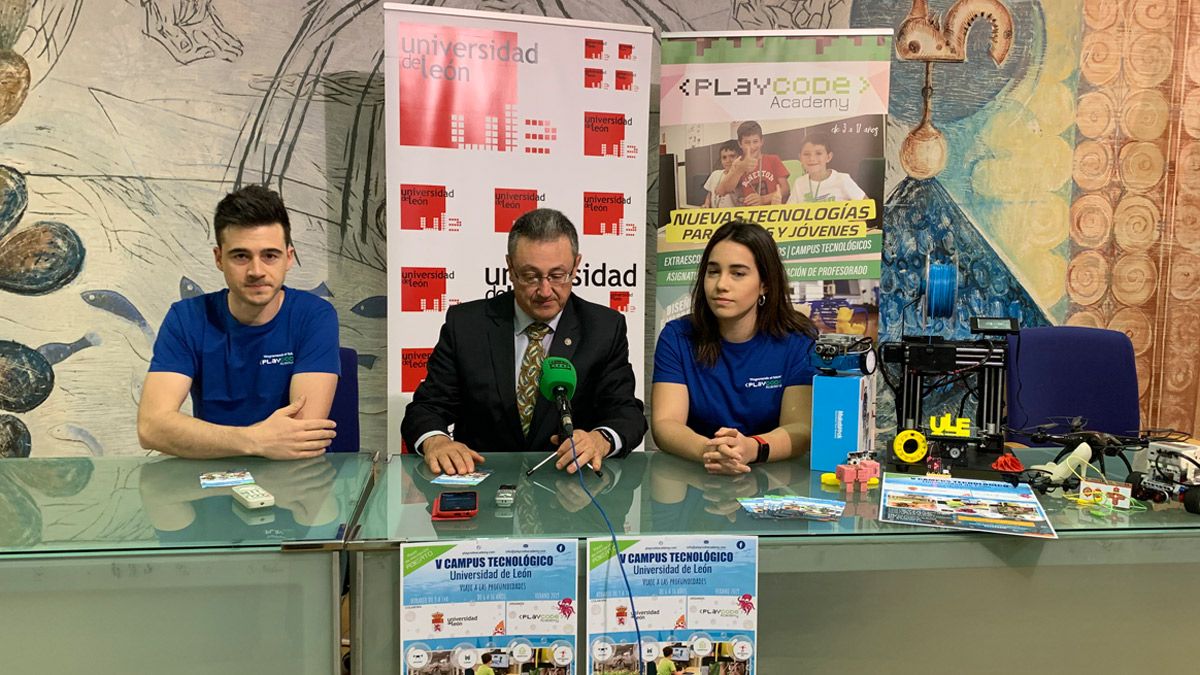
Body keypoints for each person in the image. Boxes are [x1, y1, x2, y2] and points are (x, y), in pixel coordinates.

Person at [402, 208, 647, 475]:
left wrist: (601, 440)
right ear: (510, 268)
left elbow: (627, 413)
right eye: (530, 276)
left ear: (576, 265)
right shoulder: (466, 325)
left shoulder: (603, 328)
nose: (544, 291)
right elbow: (426, 407)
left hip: (568, 492)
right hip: (485, 486)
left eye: (557, 275)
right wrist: (435, 441)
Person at [138, 185, 340, 459]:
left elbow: (299, 436)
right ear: (219, 258)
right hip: (210, 484)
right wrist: (254, 440)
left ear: (289, 258)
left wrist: (202, 437)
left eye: (270, 255)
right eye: (241, 256)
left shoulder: (315, 316)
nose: (257, 271)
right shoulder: (187, 318)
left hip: (291, 482)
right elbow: (152, 428)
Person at [652, 220, 818, 475]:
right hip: (696, 479)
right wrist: (710, 451)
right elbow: (666, 424)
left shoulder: (798, 339)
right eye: (713, 271)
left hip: (772, 482)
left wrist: (750, 448)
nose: (721, 285)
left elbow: (800, 428)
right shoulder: (677, 337)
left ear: (765, 283)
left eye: (738, 273)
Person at [718, 121, 790, 206]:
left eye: (755, 141)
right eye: (747, 142)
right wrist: (739, 170)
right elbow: (721, 191)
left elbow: (786, 190)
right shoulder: (738, 164)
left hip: (773, 211)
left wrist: (763, 199)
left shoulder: (773, 159)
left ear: (761, 141)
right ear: (740, 144)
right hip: (750, 215)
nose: (752, 146)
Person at [786, 132, 866, 204]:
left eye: (818, 153)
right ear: (800, 158)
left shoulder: (842, 179)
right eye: (806, 154)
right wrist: (777, 204)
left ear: (828, 157)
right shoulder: (799, 183)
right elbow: (788, 215)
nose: (812, 158)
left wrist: (850, 220)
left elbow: (866, 205)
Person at [702, 140, 740, 208]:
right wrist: (707, 204)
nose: (728, 160)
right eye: (724, 157)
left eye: (732, 156)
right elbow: (710, 193)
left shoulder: (742, 177)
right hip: (717, 214)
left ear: (739, 157)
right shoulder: (715, 174)